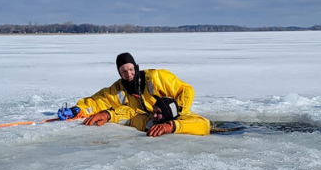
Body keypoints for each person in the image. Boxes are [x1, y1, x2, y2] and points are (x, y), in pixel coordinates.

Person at [57, 52, 211, 137]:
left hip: (172, 116)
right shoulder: (118, 90)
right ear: (119, 72)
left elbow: (186, 91)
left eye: (131, 69)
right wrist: (77, 110)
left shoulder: (157, 77)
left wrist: (176, 116)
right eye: (124, 71)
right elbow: (97, 102)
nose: (129, 74)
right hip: (149, 119)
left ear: (136, 67)